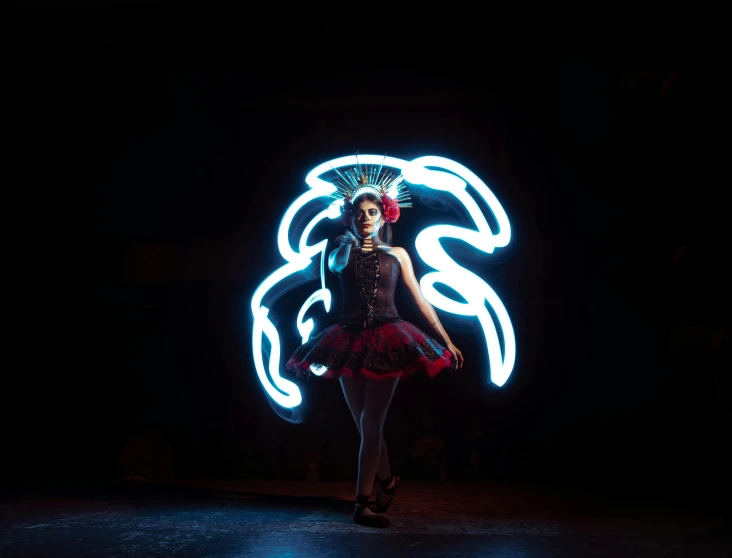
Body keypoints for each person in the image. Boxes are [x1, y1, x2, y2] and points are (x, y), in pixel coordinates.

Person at [286, 165, 464, 528]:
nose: (366, 218)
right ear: (350, 217)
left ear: (384, 215)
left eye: (372, 212)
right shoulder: (340, 251)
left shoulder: (398, 254)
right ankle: (386, 480)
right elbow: (336, 266)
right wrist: (348, 242)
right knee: (364, 424)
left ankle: (361, 504)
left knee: (371, 422)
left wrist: (445, 339)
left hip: (388, 338)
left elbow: (420, 300)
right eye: (359, 213)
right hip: (347, 338)